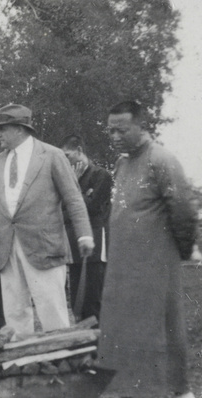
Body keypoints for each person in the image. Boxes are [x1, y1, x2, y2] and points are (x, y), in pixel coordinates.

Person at [0, 104, 93, 335]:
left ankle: (60, 362)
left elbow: (73, 198)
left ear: (20, 129)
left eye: (2, 128)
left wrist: (84, 234)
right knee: (14, 313)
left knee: (52, 309)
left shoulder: (52, 156)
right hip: (6, 249)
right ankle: (21, 363)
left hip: (44, 247)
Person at [96, 101, 197, 398]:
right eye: (110, 130)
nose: (114, 136)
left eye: (121, 130)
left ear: (142, 126)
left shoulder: (162, 159)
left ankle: (178, 391)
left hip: (155, 266)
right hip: (122, 269)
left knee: (163, 329)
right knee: (125, 332)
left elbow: (184, 212)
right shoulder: (122, 163)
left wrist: (179, 251)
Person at [60, 135, 112, 321]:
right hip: (73, 245)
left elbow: (93, 207)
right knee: (77, 301)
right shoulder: (69, 178)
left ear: (80, 151)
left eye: (67, 155)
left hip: (95, 244)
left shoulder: (101, 175)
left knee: (93, 298)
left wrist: (73, 192)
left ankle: (99, 345)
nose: (64, 160)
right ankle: (84, 343)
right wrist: (79, 192)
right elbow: (62, 210)